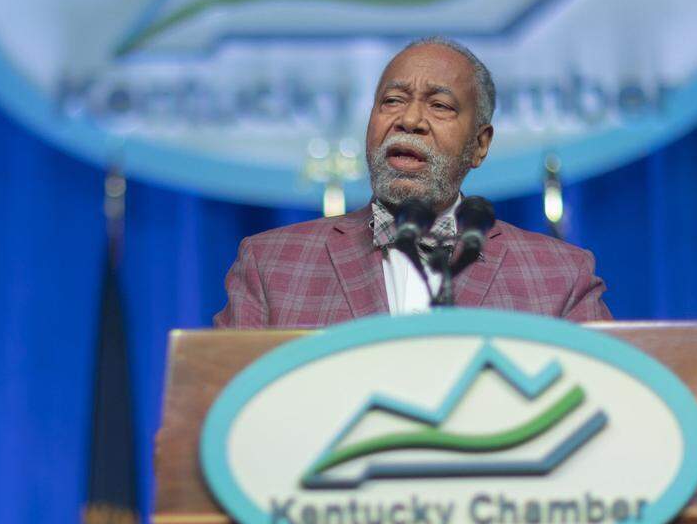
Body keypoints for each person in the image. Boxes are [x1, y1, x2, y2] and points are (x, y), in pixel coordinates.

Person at [213, 36, 611, 328]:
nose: (410, 120)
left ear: (479, 145)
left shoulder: (560, 274)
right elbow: (217, 401)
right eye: (392, 101)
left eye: (440, 106)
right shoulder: (271, 264)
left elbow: (607, 403)